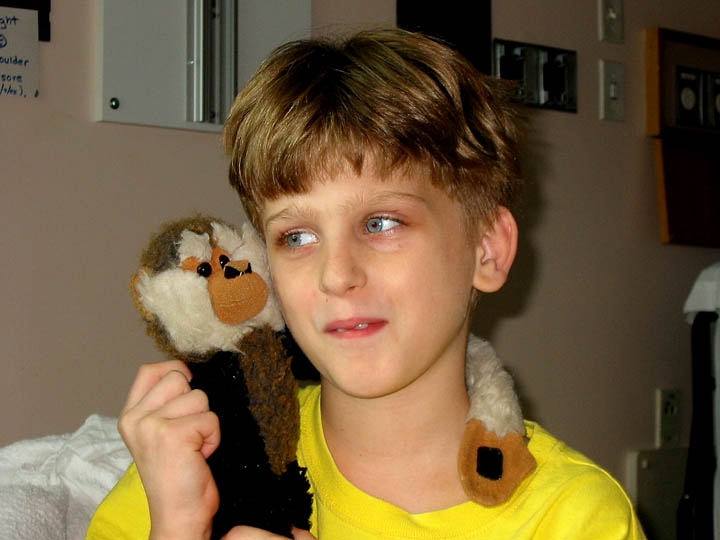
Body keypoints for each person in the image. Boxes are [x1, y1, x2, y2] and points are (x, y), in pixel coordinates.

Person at [87, 29, 646, 540]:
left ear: (487, 248)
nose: (336, 275)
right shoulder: (195, 469)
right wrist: (180, 527)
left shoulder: (575, 518)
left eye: (381, 224)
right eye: (297, 237)